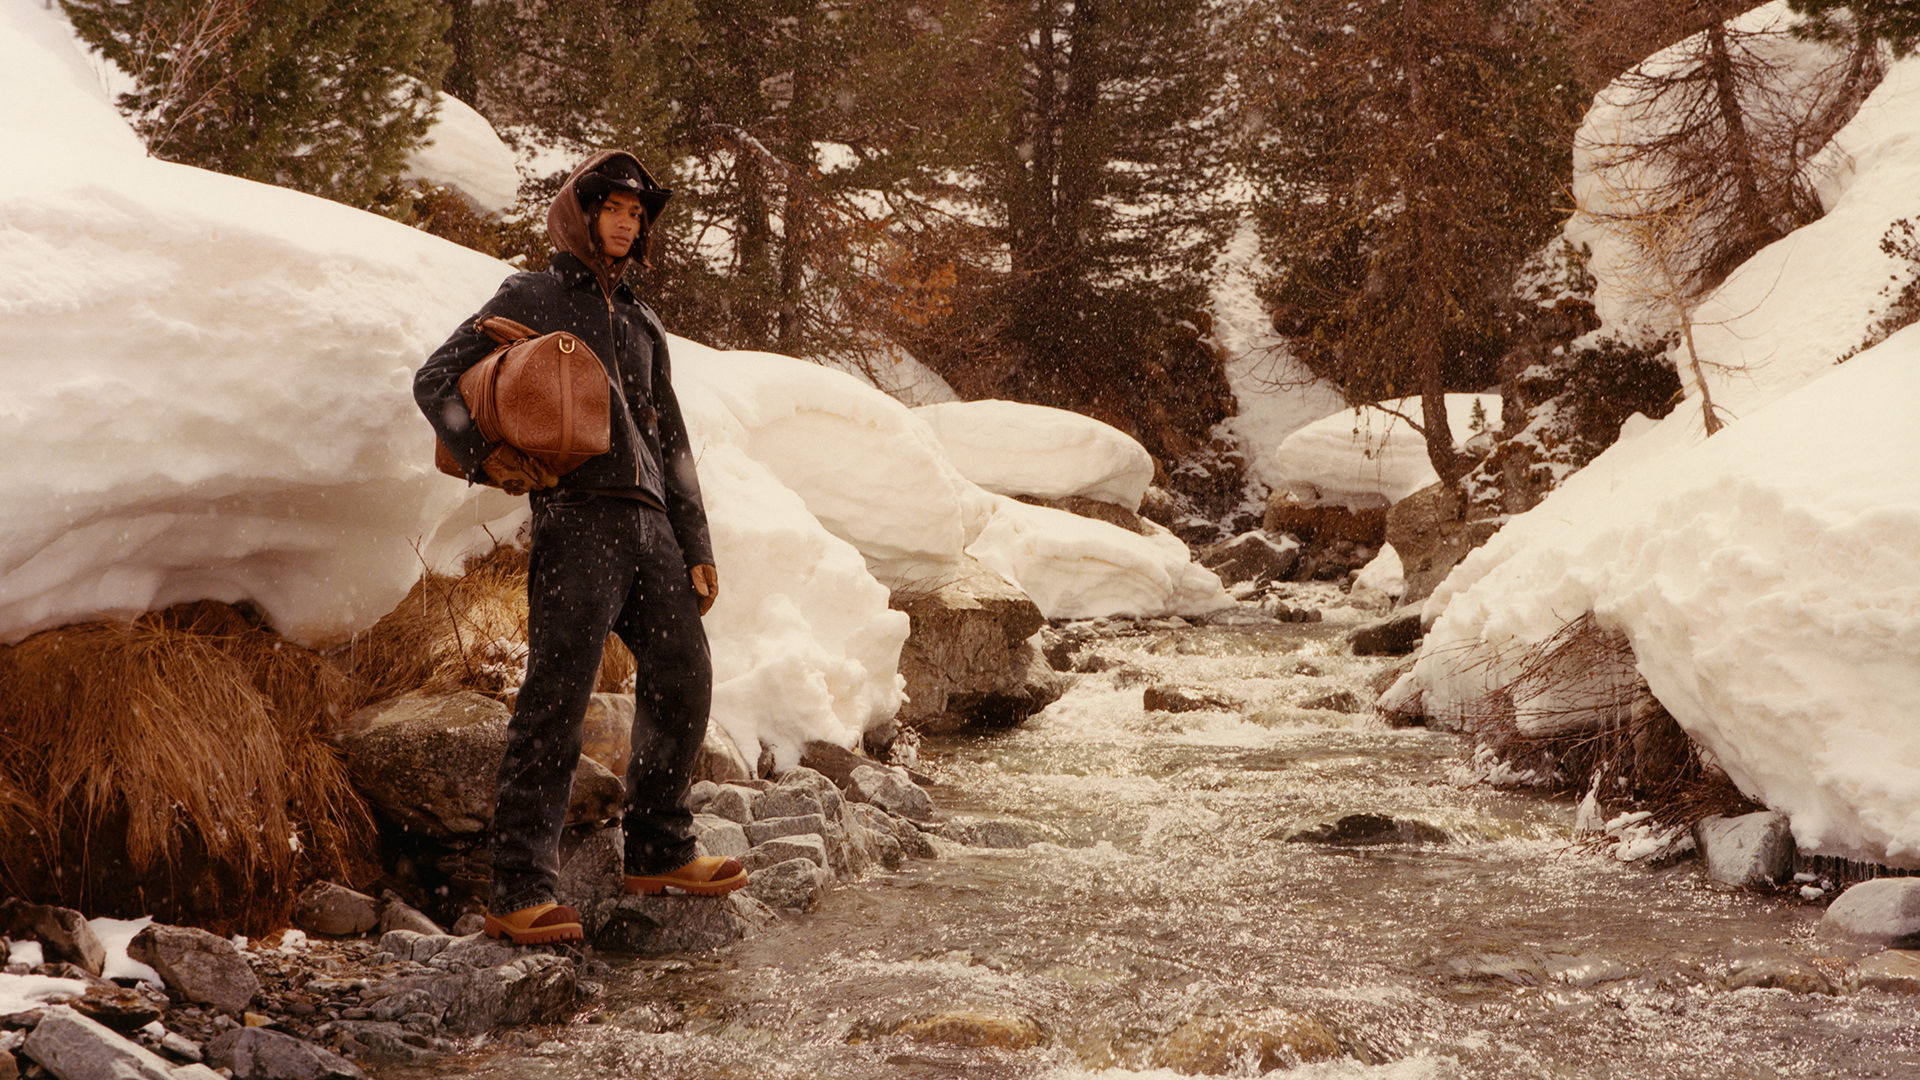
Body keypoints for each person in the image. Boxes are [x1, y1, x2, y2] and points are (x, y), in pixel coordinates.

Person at [415, 150, 747, 946]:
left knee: (684, 673)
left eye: (639, 214)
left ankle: (660, 849)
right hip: (579, 518)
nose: (629, 223)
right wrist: (484, 459)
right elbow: (438, 378)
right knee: (556, 695)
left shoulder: (641, 320)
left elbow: (670, 439)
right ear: (582, 213)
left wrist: (694, 540)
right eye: (615, 209)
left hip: (651, 526)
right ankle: (520, 887)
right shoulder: (534, 293)